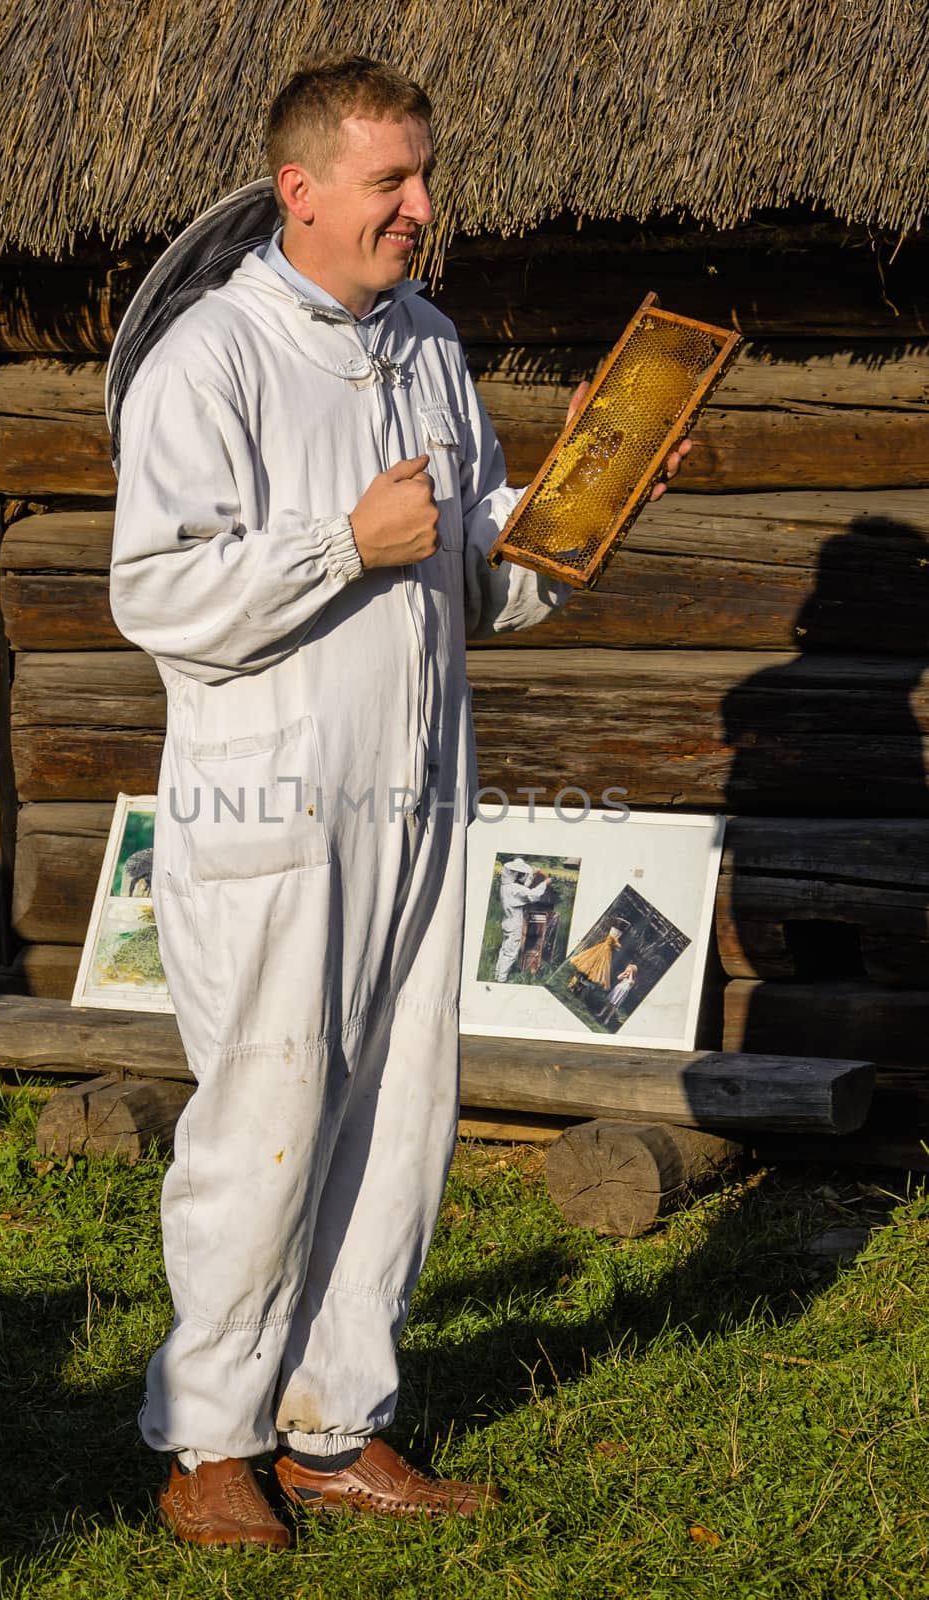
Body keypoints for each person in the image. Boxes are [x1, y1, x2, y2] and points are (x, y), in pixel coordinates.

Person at [109, 54, 689, 1550]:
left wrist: (579, 517)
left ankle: (330, 1427)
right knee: (264, 1118)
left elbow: (472, 595)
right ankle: (207, 1446)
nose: (421, 208)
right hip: (272, 819)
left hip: (419, 801)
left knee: (400, 1119)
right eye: (390, 182)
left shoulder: (425, 345)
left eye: (422, 177)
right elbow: (155, 591)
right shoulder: (210, 357)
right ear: (300, 191)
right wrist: (338, 541)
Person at [493, 857, 551, 982]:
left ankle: (497, 974)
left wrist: (531, 876)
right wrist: (545, 883)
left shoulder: (506, 886)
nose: (521, 875)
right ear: (515, 873)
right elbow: (533, 894)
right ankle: (501, 979)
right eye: (519, 873)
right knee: (511, 952)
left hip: (507, 921)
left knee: (504, 949)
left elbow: (523, 891)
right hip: (514, 923)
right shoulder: (514, 889)